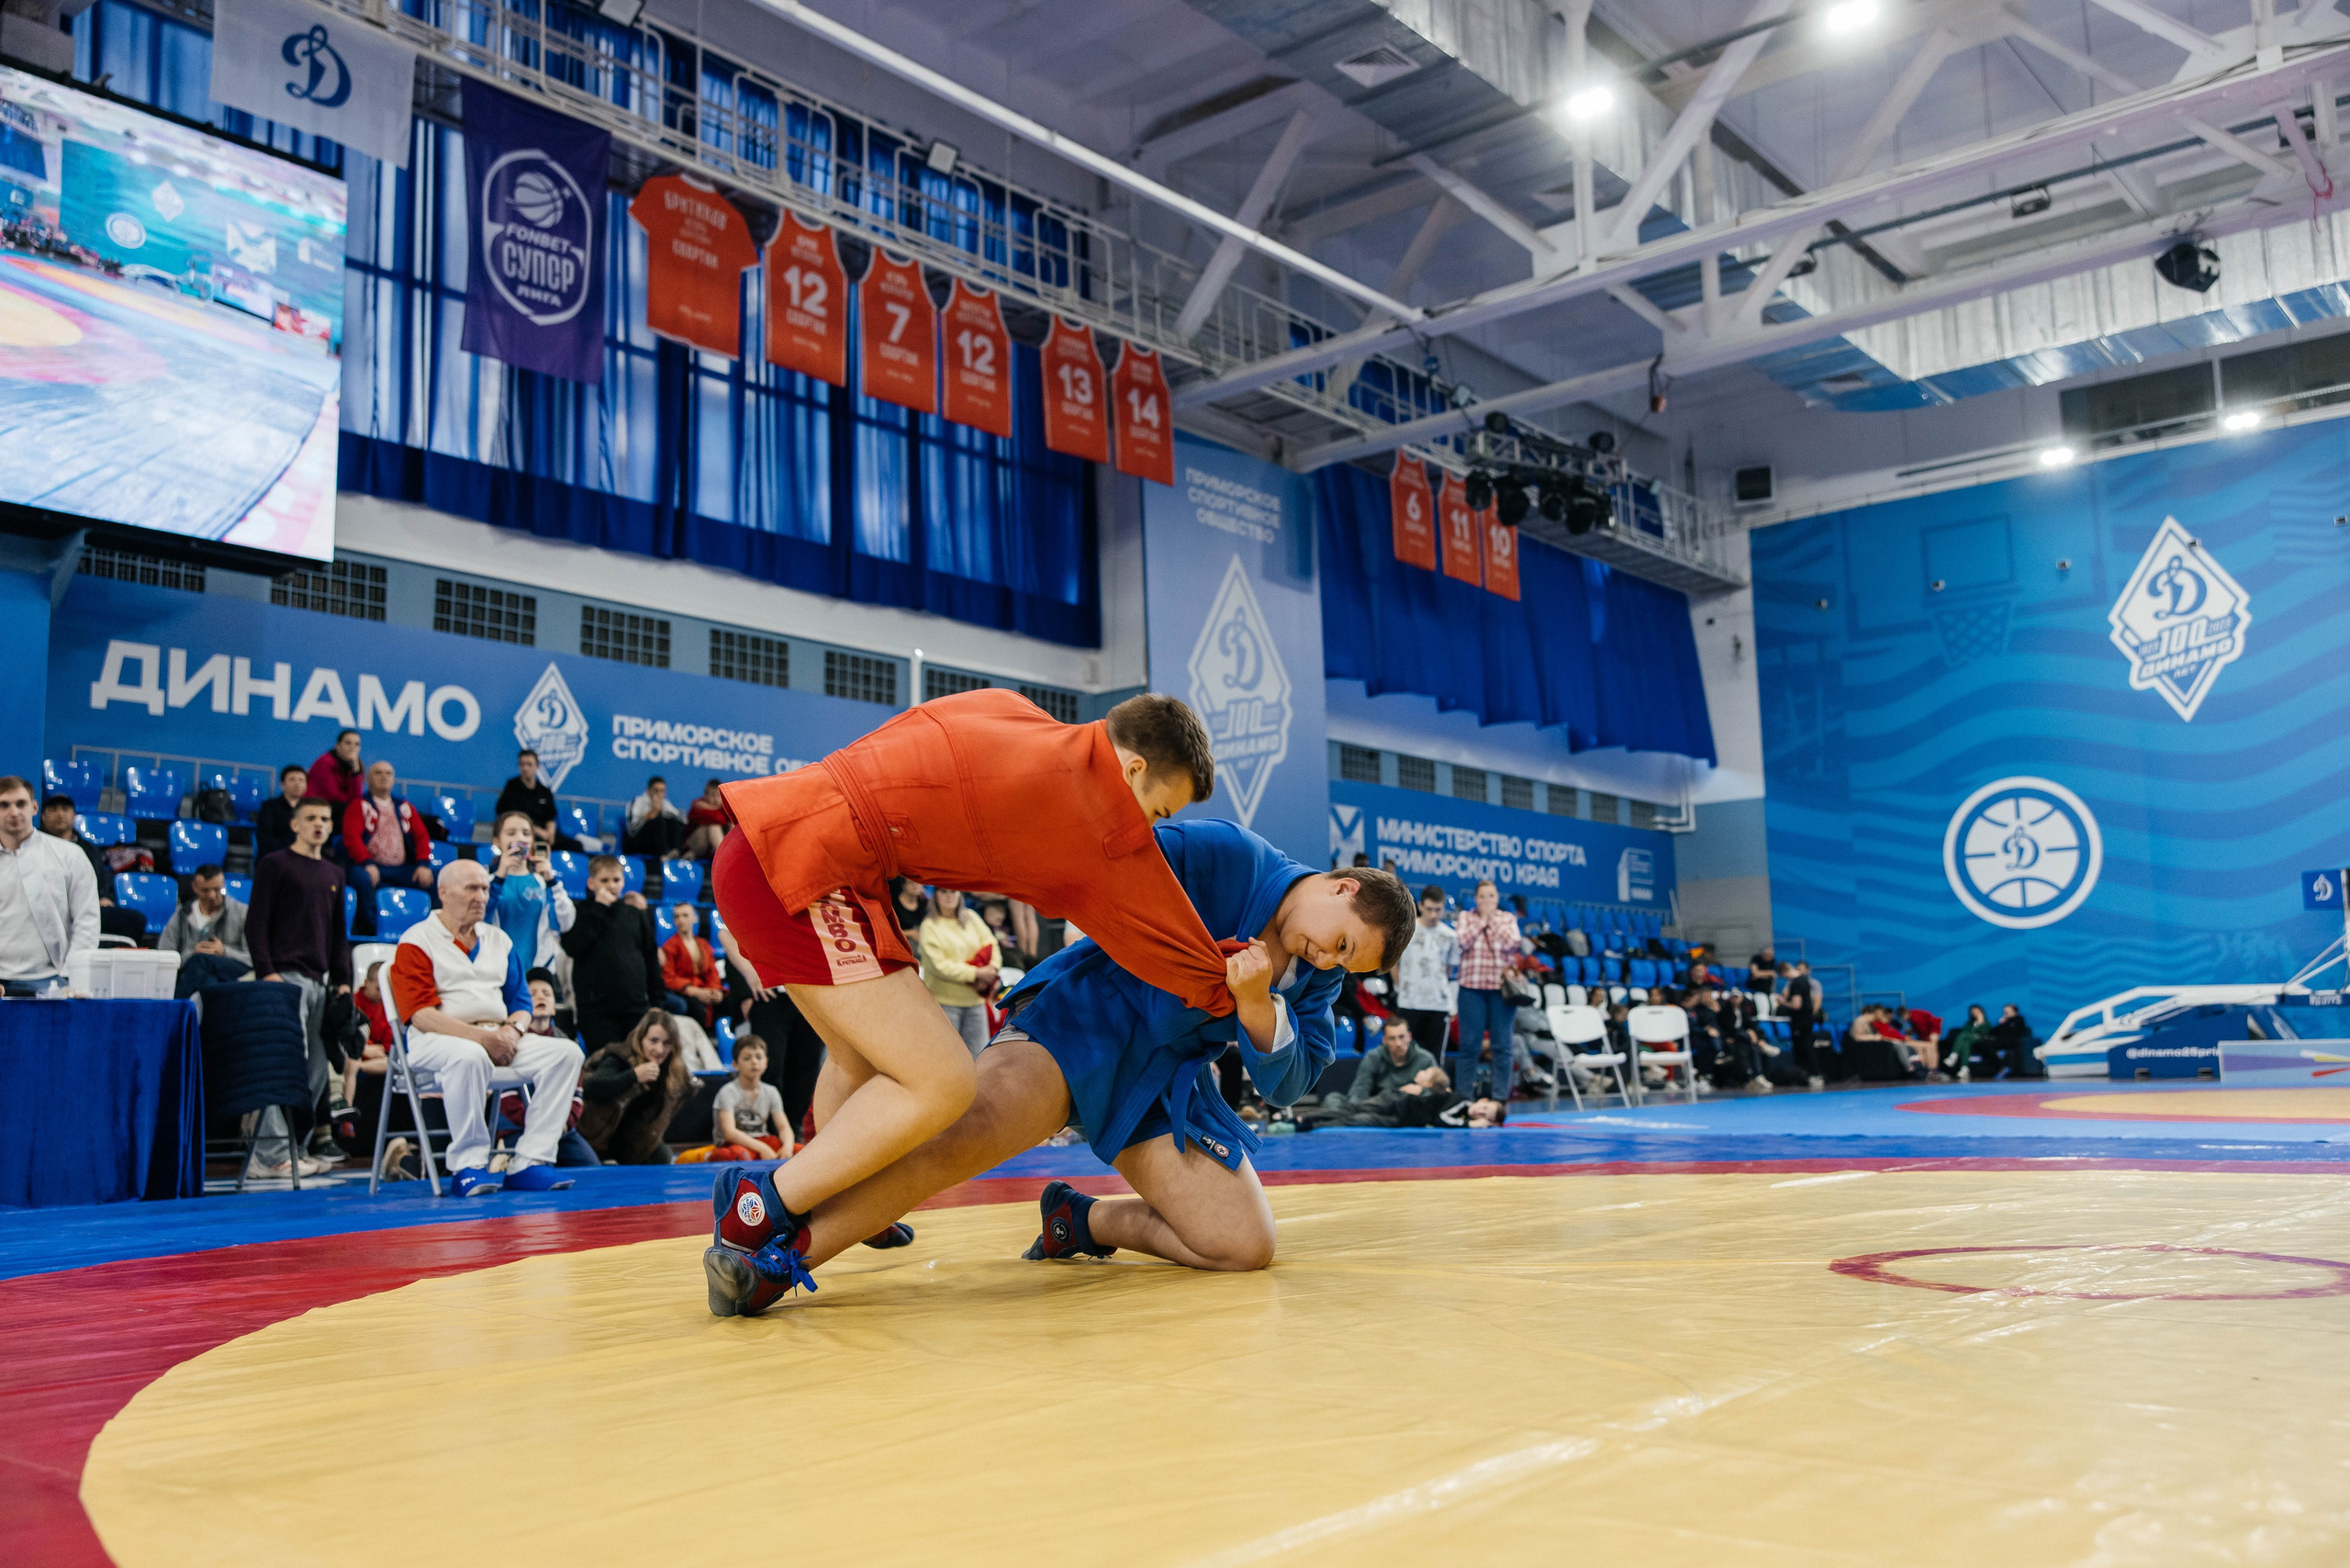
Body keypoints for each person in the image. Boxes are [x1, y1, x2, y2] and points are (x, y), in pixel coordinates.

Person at [705, 815, 1413, 1314]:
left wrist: (1258, 1006)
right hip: (1080, 1024)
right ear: (1342, 888)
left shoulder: (1313, 982)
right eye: (1341, 945)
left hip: (1158, 1082)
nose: (1328, 962)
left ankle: (1081, 1223)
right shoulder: (1230, 855)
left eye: (1346, 965)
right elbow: (1106, 864)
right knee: (950, 1144)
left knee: (1243, 1245)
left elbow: (1290, 1082)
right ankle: (778, 1254)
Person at [701, 688, 1246, 1305]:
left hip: (785, 843)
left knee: (859, 1058)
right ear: (1133, 769)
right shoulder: (1079, 802)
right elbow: (1150, 909)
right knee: (945, 1082)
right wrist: (1228, 982)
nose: (1146, 832)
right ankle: (760, 1202)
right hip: (804, 859)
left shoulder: (1012, 709)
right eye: (1156, 813)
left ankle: (829, 1198)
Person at [388, 859, 581, 1195]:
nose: (481, 896)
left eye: (485, 888)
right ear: (443, 893)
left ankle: (530, 1161)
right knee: (469, 1056)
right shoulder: (416, 940)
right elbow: (421, 1014)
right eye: (471, 888)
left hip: (497, 1034)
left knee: (566, 1053)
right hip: (437, 1039)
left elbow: (521, 1004)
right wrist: (486, 1040)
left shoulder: (498, 940)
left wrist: (512, 1033)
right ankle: (469, 1165)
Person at [246, 796, 351, 1175]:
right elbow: (256, 924)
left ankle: (297, 1150)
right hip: (284, 979)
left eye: (325, 818)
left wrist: (343, 982)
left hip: (319, 983)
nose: (319, 824)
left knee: (317, 1070)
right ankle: (271, 1156)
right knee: (282, 1067)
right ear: (294, 824)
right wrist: (267, 972)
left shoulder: (334, 873)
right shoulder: (274, 865)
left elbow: (339, 935)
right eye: (310, 818)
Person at [0, 776, 98, 996]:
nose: (14, 812)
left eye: (21, 804)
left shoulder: (70, 856)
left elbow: (87, 920)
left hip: (52, 981)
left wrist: (73, 975)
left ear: (34, 807)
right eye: (4, 805)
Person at [562, 855, 662, 1051]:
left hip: (635, 1007)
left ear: (623, 882)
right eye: (604, 881)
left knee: (637, 1065)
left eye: (616, 880)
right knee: (606, 1066)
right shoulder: (580, 912)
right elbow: (574, 947)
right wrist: (599, 908)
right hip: (596, 1010)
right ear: (591, 883)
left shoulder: (634, 914)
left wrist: (657, 1002)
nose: (611, 886)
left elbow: (651, 958)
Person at [580, 1008, 693, 1164]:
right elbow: (592, 1088)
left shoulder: (672, 1071)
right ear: (641, 1038)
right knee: (588, 1163)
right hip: (595, 1135)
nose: (659, 1050)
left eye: (666, 1043)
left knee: (662, 1155)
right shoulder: (619, 1055)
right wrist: (634, 1076)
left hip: (633, 1140)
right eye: (653, 1041)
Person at [342, 759, 434, 934]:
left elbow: (422, 836)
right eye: (378, 773)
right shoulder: (359, 805)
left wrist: (423, 864)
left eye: (388, 773)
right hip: (369, 866)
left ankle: (426, 932)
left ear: (394, 779)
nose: (384, 777)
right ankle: (369, 930)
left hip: (401, 868)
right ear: (368, 779)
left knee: (432, 879)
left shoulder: (405, 807)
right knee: (362, 879)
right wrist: (367, 863)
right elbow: (351, 838)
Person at [1451, 879, 1520, 1101]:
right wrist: (1482, 921)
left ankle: (1500, 1098)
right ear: (1476, 898)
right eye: (1482, 896)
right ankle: (1464, 1098)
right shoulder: (1466, 918)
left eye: (1491, 896)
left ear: (1497, 898)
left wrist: (1493, 921)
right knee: (1469, 1046)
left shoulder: (1507, 919)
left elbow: (1513, 943)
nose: (1487, 900)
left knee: (1502, 1046)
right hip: (1471, 988)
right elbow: (1462, 941)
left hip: (1501, 991)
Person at [483, 810, 573, 971]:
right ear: (496, 841)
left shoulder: (544, 883)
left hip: (537, 971)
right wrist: (500, 875)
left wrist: (550, 880)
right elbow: (480, 919)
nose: (520, 838)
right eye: (511, 833)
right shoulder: (486, 882)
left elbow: (564, 923)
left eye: (526, 833)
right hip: (498, 968)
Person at [917, 887, 999, 1057]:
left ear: (960, 894)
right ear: (935, 896)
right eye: (943, 892)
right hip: (945, 1003)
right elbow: (939, 966)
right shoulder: (929, 926)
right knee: (946, 1058)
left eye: (953, 892)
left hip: (975, 1002)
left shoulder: (972, 917)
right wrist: (976, 974)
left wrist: (992, 970)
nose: (949, 896)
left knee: (979, 1057)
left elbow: (992, 944)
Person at [157, 864, 251, 992]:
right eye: (206, 890)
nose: (212, 896)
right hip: (196, 974)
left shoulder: (242, 913)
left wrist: (224, 951)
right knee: (206, 976)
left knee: (202, 962)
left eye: (217, 889)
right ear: (195, 888)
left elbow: (253, 958)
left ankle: (177, 1008)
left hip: (230, 971)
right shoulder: (181, 915)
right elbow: (164, 957)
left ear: (223, 884)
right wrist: (193, 953)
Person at [1393, 885, 1457, 1070]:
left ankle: (1432, 1097)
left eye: (1438, 910)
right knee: (1406, 1055)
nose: (1433, 914)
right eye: (1429, 909)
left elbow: (1448, 968)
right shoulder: (1406, 930)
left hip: (1438, 1004)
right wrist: (1400, 985)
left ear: (1444, 908)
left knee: (1434, 1059)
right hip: (1409, 1002)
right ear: (1420, 906)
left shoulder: (1450, 936)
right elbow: (1392, 962)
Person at [710, 1035, 793, 1161]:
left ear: (766, 1062)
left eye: (759, 1057)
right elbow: (729, 1133)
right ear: (735, 1064)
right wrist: (762, 1148)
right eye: (747, 1058)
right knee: (736, 1155)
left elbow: (784, 1127)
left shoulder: (771, 1091)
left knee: (803, 1152)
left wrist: (787, 1147)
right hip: (735, 1144)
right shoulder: (728, 1092)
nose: (754, 1062)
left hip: (762, 1140)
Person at [1337, 1014, 1435, 1105]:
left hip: (1412, 1110)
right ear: (1384, 1040)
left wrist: (1421, 1090)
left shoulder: (1426, 1059)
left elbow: (1440, 1092)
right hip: (1379, 1109)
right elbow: (1359, 1091)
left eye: (1402, 1037)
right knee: (1333, 1098)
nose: (1398, 1043)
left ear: (1409, 1036)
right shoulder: (1373, 1057)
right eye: (1392, 1038)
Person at [661, 902, 725, 1025]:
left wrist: (715, 990)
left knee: (726, 1002)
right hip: (684, 991)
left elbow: (712, 972)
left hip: (705, 988)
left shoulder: (704, 944)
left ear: (695, 918)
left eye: (685, 915)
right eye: (677, 916)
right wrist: (695, 991)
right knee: (696, 1007)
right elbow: (668, 978)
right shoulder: (670, 946)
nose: (680, 920)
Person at [494, 749, 558, 835]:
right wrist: (539, 832)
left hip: (544, 833)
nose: (525, 768)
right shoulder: (512, 787)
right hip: (522, 833)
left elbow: (550, 817)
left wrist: (551, 832)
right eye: (522, 764)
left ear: (537, 766)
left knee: (575, 845)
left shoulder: (545, 791)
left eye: (529, 764)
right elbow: (509, 815)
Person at [252, 764, 309, 860]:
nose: (297, 784)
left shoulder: (309, 809)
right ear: (282, 784)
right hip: (276, 858)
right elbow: (265, 838)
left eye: (301, 780)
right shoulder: (269, 807)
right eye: (292, 779)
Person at [623, 776, 688, 859]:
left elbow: (682, 820)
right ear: (649, 790)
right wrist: (651, 814)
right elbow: (631, 829)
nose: (659, 794)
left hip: (654, 844)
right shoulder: (637, 801)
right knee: (658, 821)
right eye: (656, 790)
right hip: (636, 841)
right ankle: (663, 855)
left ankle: (675, 852)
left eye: (662, 791)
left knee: (673, 821)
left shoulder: (665, 803)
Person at [307, 730, 365, 820]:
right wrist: (350, 801)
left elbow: (356, 798)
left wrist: (356, 771)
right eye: (348, 743)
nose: (352, 747)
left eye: (357, 744)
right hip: (315, 808)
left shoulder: (355, 765)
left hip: (335, 810)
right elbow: (333, 796)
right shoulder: (325, 762)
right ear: (337, 746)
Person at [684, 779, 730, 859]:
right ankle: (725, 858)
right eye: (712, 795)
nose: (715, 799)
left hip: (710, 850)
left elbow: (731, 820)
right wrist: (717, 809)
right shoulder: (697, 805)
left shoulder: (724, 807)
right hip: (694, 845)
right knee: (714, 827)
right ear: (705, 795)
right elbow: (719, 819)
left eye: (718, 796)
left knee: (732, 826)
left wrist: (710, 808)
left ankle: (731, 856)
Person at [1945, 1003, 1993, 1081]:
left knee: (1964, 1036)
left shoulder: (1986, 1024)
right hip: (1968, 1041)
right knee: (1965, 1043)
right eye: (1973, 1012)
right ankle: (1964, 1068)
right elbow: (1964, 1032)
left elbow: (1983, 1033)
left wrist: (1980, 1022)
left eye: (1976, 1011)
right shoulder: (1969, 1023)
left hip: (1980, 1040)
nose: (1975, 1013)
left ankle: (1954, 1055)